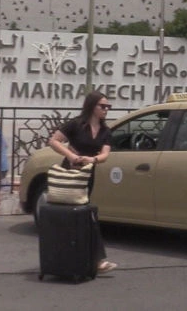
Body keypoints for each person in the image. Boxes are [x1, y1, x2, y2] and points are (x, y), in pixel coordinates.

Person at [47, 91, 118, 274]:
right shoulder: (76, 124)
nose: (106, 110)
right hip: (69, 173)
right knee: (71, 215)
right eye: (103, 106)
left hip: (87, 175)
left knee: (85, 214)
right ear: (92, 106)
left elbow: (105, 155)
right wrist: (71, 155)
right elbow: (54, 141)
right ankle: (82, 259)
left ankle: (93, 260)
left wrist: (92, 160)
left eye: (108, 107)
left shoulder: (105, 131)